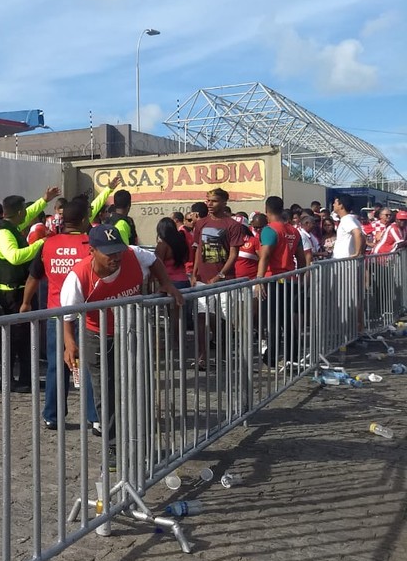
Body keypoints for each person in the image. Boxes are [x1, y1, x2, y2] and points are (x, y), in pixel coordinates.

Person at [60, 224, 183, 450]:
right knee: (106, 393)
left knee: (140, 387)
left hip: (132, 332)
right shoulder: (78, 277)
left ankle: (141, 443)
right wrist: (69, 343)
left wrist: (166, 282)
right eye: (109, 253)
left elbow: (154, 261)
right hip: (97, 337)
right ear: (92, 250)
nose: (116, 257)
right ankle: (114, 447)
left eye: (118, 251)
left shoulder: (133, 254)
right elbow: (67, 316)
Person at [20, 197, 94, 430]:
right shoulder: (91, 243)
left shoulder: (48, 244)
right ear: (84, 220)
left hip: (56, 314)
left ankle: (52, 415)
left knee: (56, 366)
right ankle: (95, 415)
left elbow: (34, 276)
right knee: (85, 365)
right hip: (86, 314)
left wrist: (26, 303)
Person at [0, 186, 61, 392]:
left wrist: (44, 199)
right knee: (14, 339)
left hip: (20, 290)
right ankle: (9, 380)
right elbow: (15, 257)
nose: (28, 215)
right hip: (11, 294)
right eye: (24, 211)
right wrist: (41, 243)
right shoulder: (3, 233)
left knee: (26, 338)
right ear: (18, 212)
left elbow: (29, 212)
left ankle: (27, 379)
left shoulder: (12, 224)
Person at [191, 188, 247, 370]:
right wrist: (194, 274)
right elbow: (198, 249)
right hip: (202, 280)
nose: (209, 204)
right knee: (201, 317)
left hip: (225, 280)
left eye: (214, 201)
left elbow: (233, 254)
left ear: (224, 202)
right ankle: (202, 357)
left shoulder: (232, 225)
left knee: (223, 319)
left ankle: (224, 355)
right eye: (208, 200)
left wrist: (220, 275)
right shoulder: (201, 223)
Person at [255, 195, 305, 366]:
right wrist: (301, 277)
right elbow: (301, 257)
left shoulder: (270, 230)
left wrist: (259, 279)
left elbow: (265, 255)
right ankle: (292, 357)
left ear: (266, 210)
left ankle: (271, 357)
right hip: (290, 280)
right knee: (288, 321)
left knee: (273, 321)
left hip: (273, 280)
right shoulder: (293, 231)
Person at [331, 194, 364, 260]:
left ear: (341, 206)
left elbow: (358, 233)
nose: (333, 205)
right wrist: (360, 252)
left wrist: (357, 253)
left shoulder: (346, 219)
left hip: (344, 259)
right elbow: (363, 238)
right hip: (347, 259)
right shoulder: (354, 219)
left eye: (335, 203)